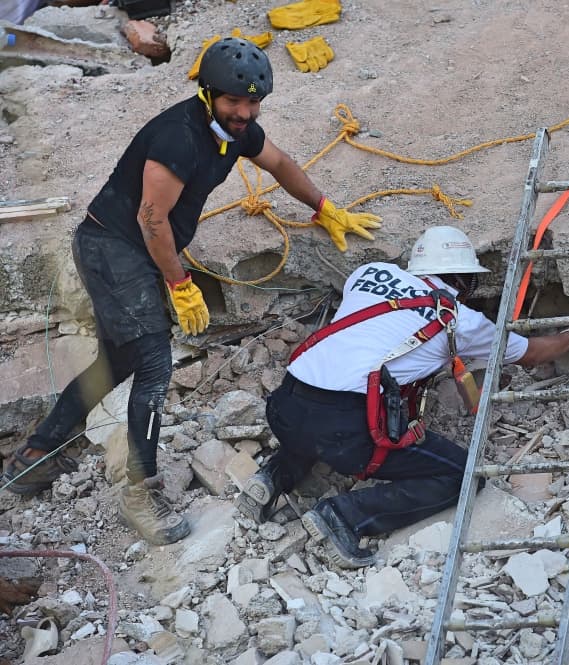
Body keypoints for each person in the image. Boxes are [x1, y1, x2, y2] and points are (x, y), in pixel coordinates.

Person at [0, 37, 380, 545]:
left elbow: (280, 164)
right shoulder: (178, 138)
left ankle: (33, 457)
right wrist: (180, 284)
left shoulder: (235, 130)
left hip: (133, 249)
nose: (245, 113)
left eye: (253, 103)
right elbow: (152, 220)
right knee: (155, 363)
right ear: (208, 93)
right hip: (112, 248)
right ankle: (142, 494)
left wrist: (325, 207)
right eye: (234, 101)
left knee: (117, 362)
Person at [236, 225, 569, 568]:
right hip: (342, 427)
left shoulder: (368, 272)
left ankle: (272, 478)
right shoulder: (461, 320)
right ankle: (345, 516)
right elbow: (532, 352)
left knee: (317, 420)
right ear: (463, 280)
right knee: (463, 475)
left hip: (284, 406)